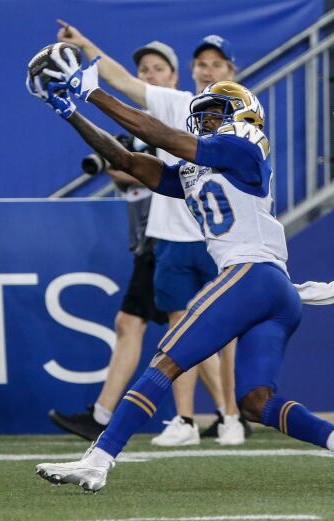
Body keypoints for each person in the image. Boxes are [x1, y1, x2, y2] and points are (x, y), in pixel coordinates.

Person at [27, 56, 334, 496]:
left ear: (242, 116)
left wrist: (94, 92)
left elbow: (159, 135)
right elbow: (129, 161)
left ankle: (98, 460)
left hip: (249, 275)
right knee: (254, 402)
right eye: (205, 114)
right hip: (275, 291)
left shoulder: (245, 147)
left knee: (165, 361)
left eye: (217, 113)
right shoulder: (203, 166)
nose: (207, 120)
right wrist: (71, 112)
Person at [57, 22, 247, 445]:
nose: (208, 70)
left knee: (223, 334)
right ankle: (184, 420)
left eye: (217, 64)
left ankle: (231, 417)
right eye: (202, 63)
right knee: (179, 332)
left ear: (232, 71)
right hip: (170, 236)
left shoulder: (244, 118)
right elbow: (123, 81)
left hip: (221, 240)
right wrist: (84, 45)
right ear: (192, 70)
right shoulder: (176, 102)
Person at [47, 42, 174, 443]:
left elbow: (159, 171)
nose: (150, 76)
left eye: (157, 69)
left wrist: (126, 167)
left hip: (170, 238)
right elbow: (121, 160)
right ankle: (223, 415)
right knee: (176, 327)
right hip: (150, 240)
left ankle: (107, 414)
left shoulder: (175, 120)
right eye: (144, 70)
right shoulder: (134, 126)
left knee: (159, 326)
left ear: (173, 77)